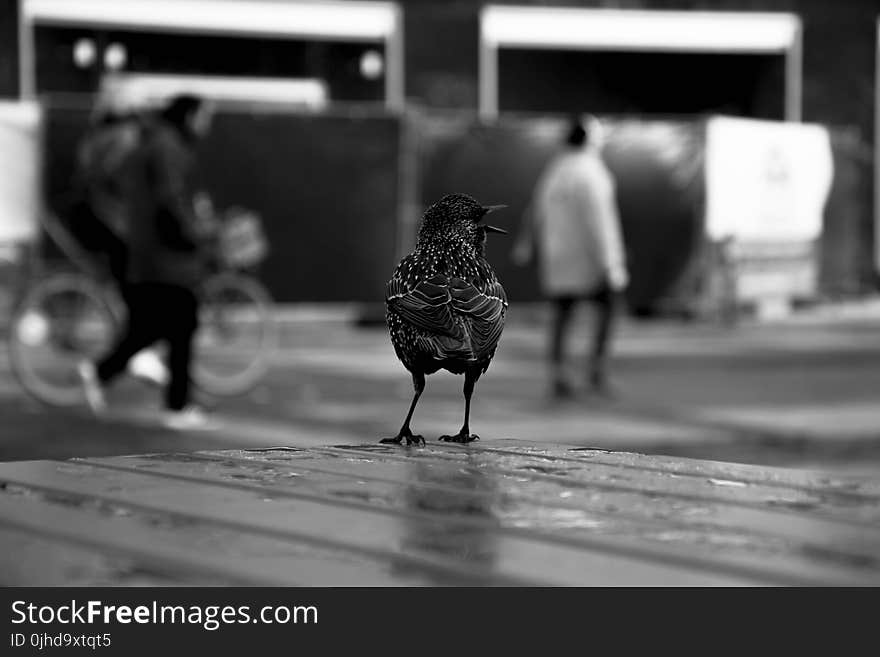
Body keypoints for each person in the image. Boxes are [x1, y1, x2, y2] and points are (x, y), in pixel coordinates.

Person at [78, 94, 219, 430]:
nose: (206, 124)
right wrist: (193, 233)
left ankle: (105, 372)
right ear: (188, 115)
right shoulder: (167, 147)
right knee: (179, 324)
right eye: (204, 116)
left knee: (156, 325)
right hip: (166, 254)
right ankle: (177, 406)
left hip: (148, 250)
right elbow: (170, 200)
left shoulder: (151, 142)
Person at [513, 116, 628, 398]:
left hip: (558, 256)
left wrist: (526, 242)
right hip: (588, 258)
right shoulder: (592, 172)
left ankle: (559, 374)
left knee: (563, 313)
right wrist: (610, 262)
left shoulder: (555, 170)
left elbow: (535, 209)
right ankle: (597, 371)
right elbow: (599, 221)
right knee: (608, 307)